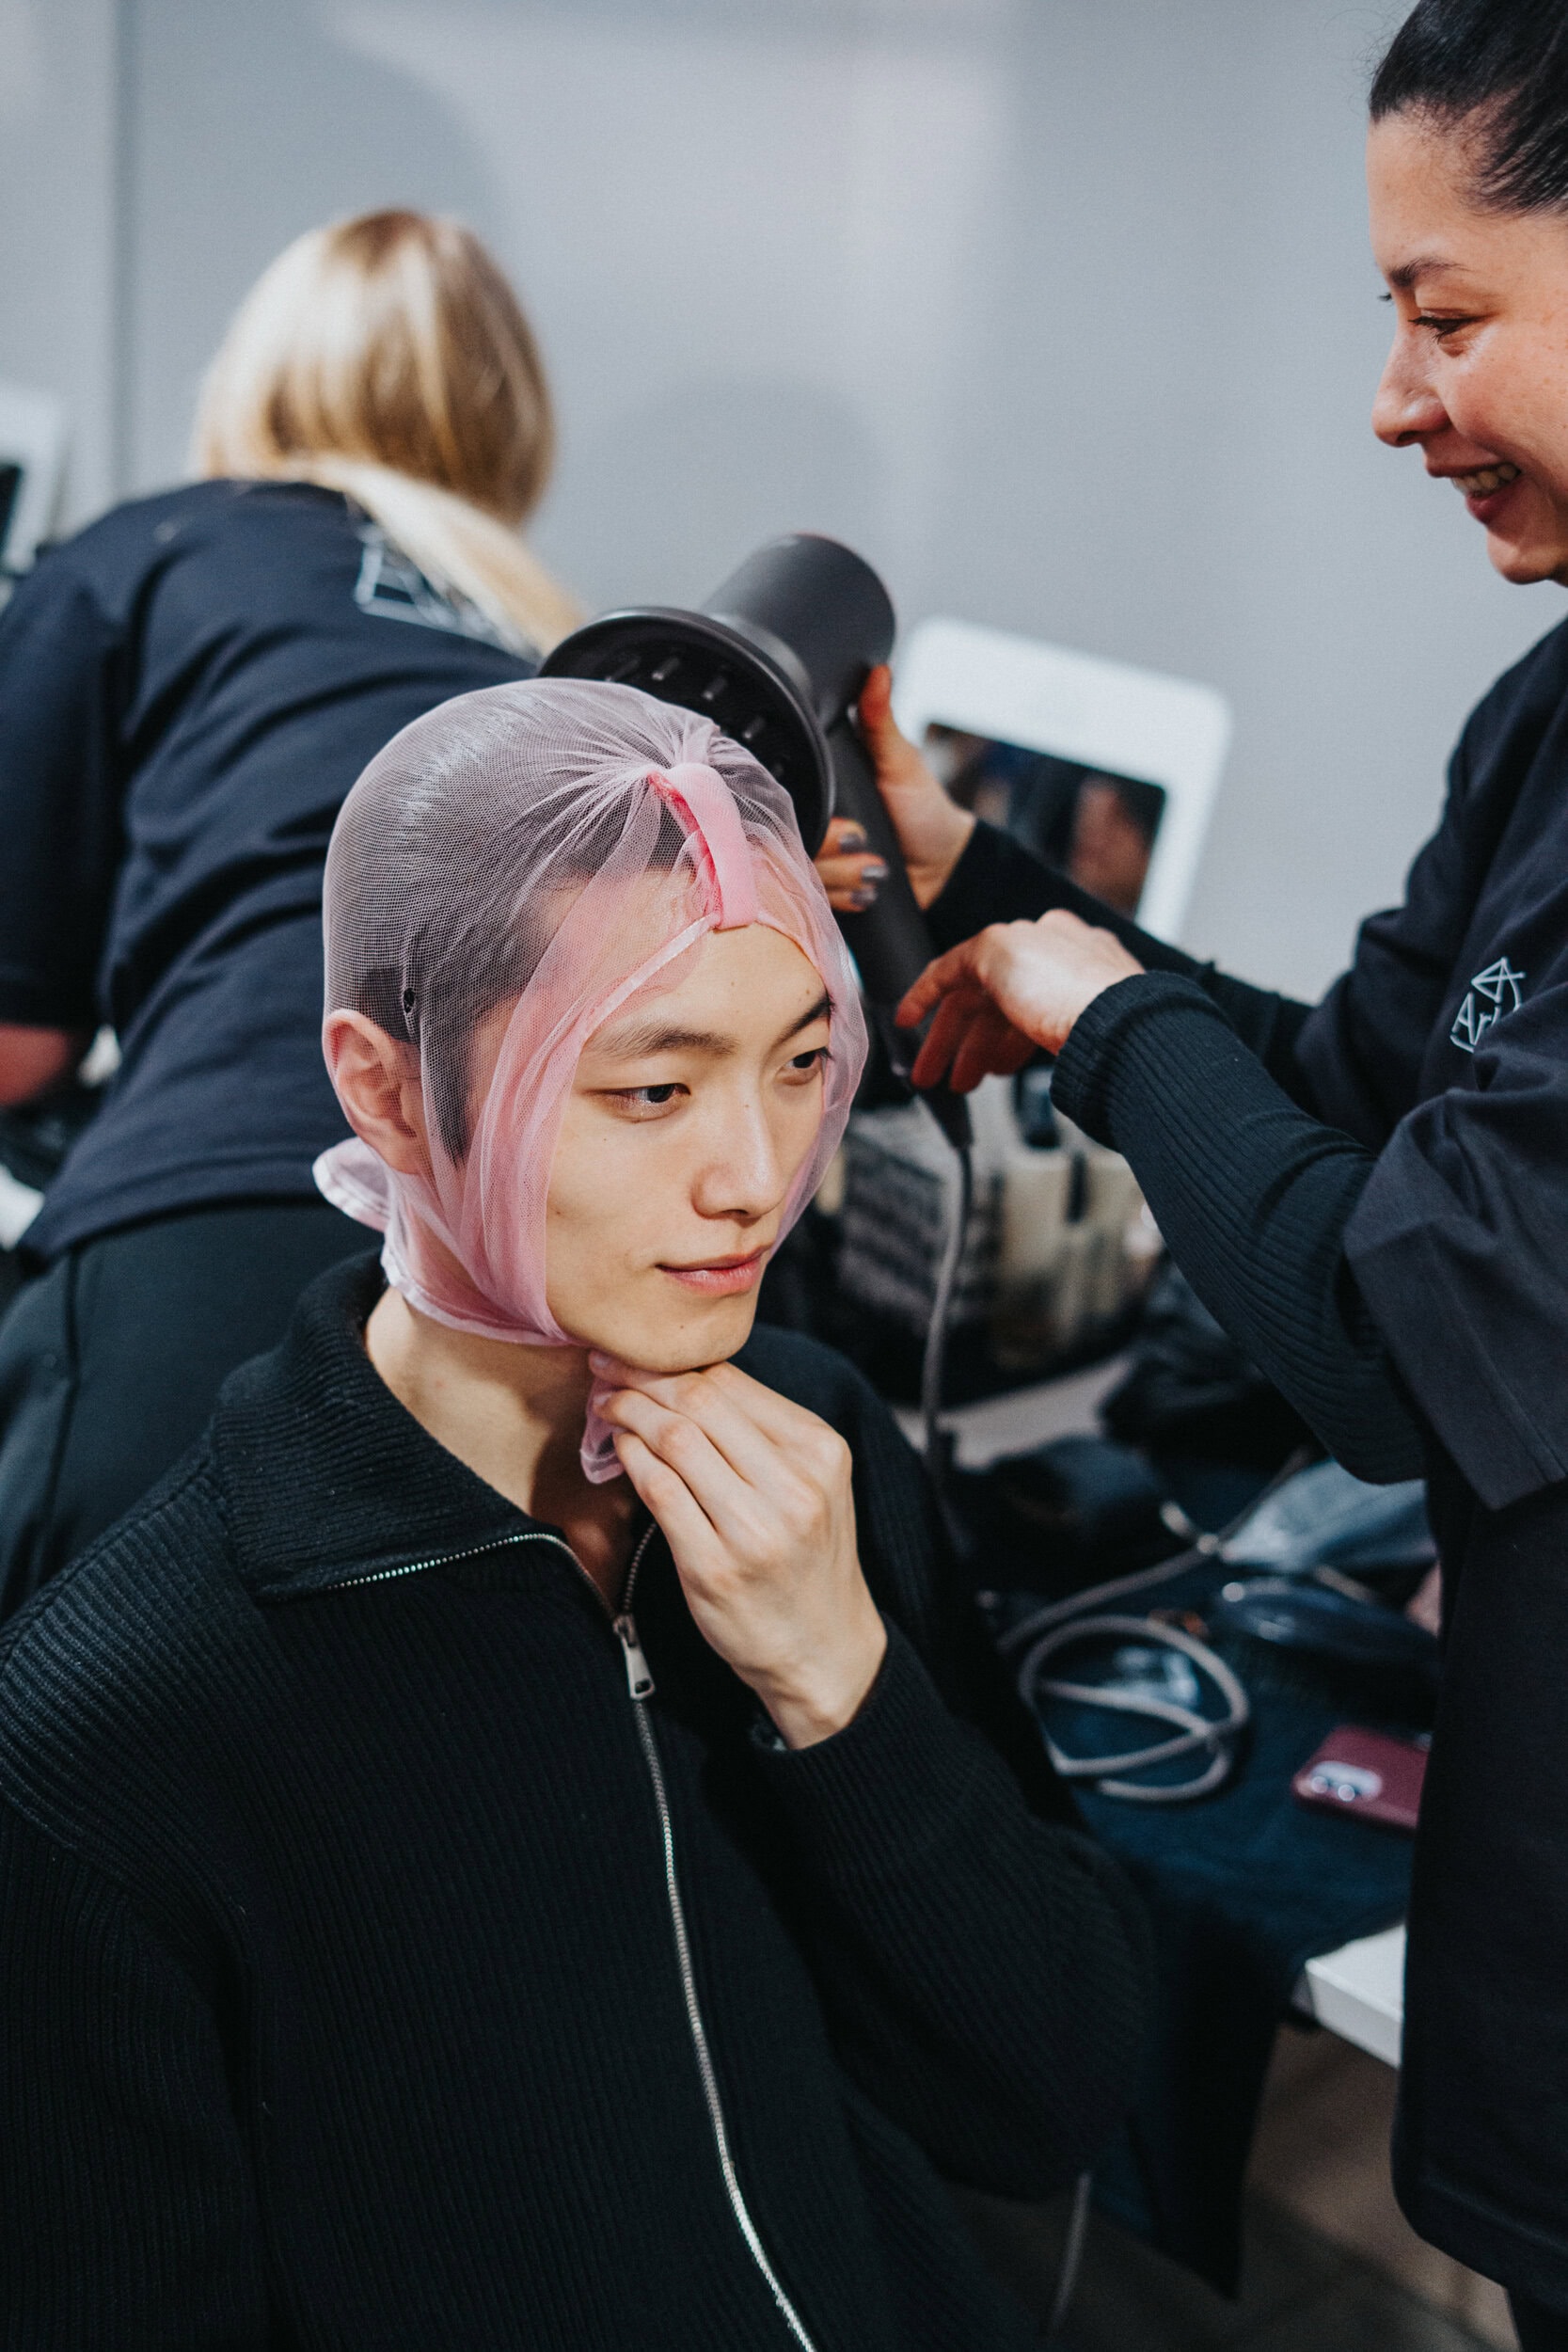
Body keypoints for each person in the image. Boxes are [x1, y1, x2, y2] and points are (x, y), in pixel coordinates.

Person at [0, 677, 1150, 2348]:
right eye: (652, 1091)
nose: (757, 1177)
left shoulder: (807, 1444)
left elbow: (1049, 2093)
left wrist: (843, 1694)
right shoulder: (116, 1730)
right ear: (388, 1094)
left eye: (802, 1063)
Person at [820, 4, 1568, 2337]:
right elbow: (1349, 1098)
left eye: (1451, 317)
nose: (1395, 398)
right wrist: (996, 892)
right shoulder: (1548, 712)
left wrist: (1108, 1021)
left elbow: (1382, 1338)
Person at [0, 207, 578, 1612]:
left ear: (251, 380)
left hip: (208, 1240)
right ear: (513, 424)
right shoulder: (562, 652)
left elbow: (14, 1042)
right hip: (538, 1291)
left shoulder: (148, 557)